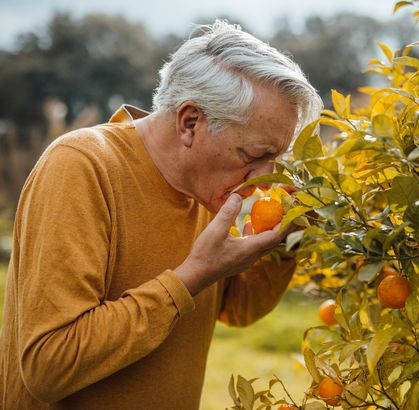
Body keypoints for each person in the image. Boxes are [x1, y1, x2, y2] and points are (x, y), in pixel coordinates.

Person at [0, 20, 322, 409]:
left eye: (275, 157)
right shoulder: (82, 166)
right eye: (255, 155)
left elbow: (238, 309)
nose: (268, 176)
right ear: (190, 123)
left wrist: (285, 242)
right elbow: (48, 366)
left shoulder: (208, 189)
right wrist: (190, 277)